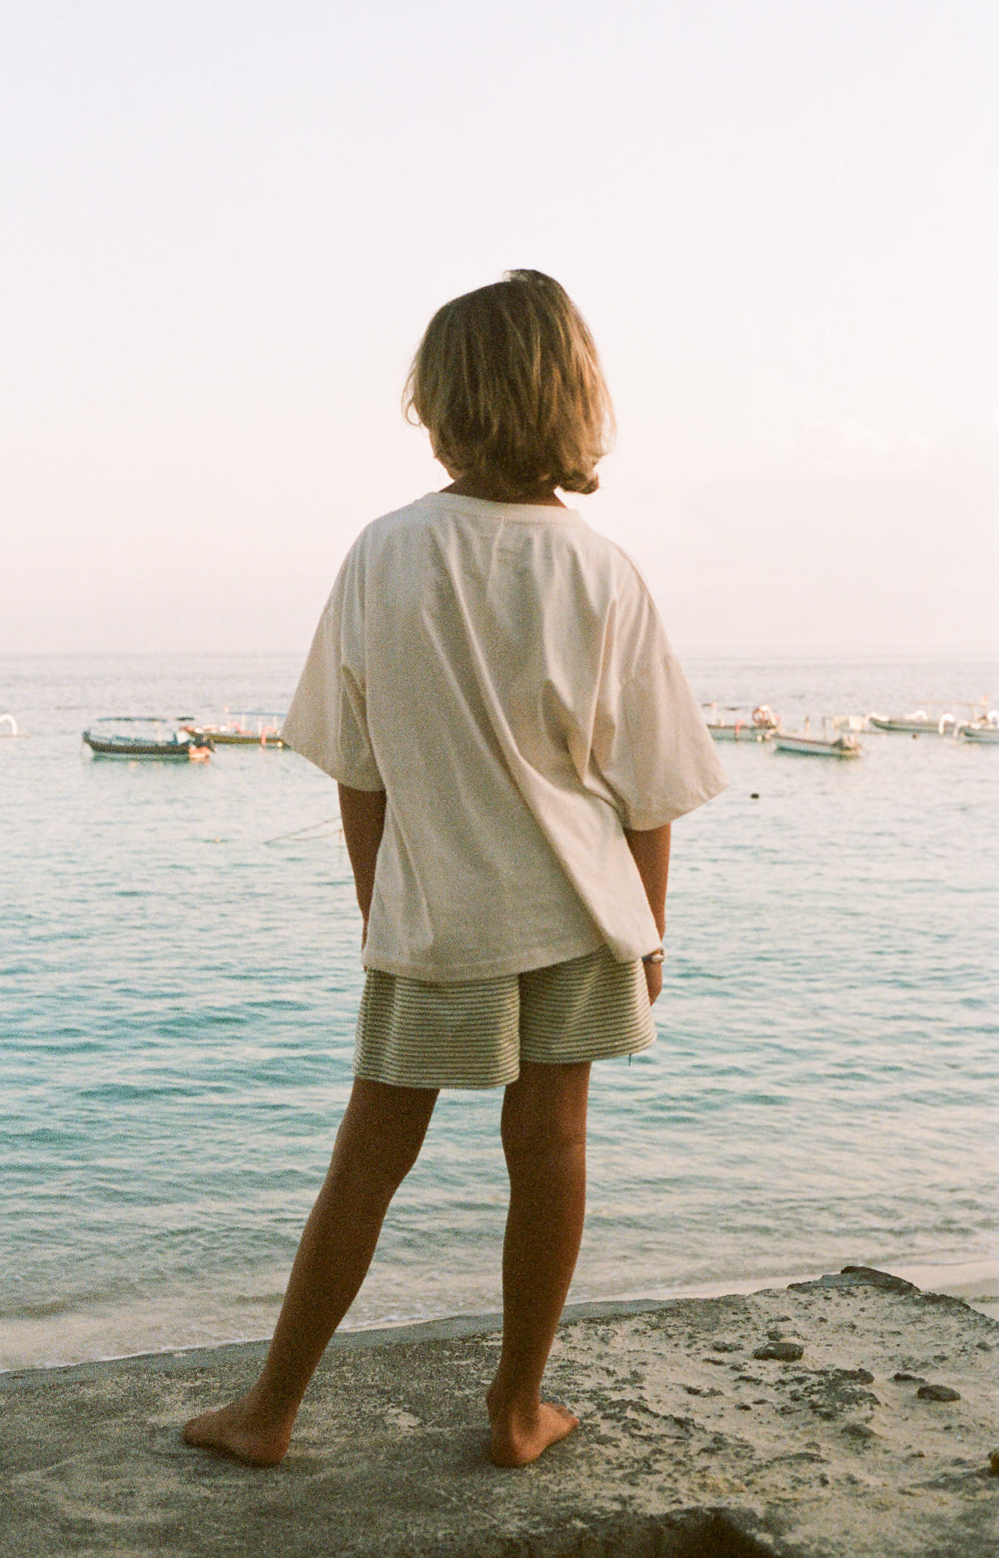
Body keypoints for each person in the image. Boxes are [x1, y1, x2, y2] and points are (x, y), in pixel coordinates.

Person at [182, 269, 726, 1469]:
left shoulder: (385, 554)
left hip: (435, 916)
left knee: (369, 1156)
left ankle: (271, 1411)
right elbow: (648, 786)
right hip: (585, 911)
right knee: (553, 1151)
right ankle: (517, 1404)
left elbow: (357, 766)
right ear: (573, 400)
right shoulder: (602, 569)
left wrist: (381, 906)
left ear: (435, 403)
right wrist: (650, 934)